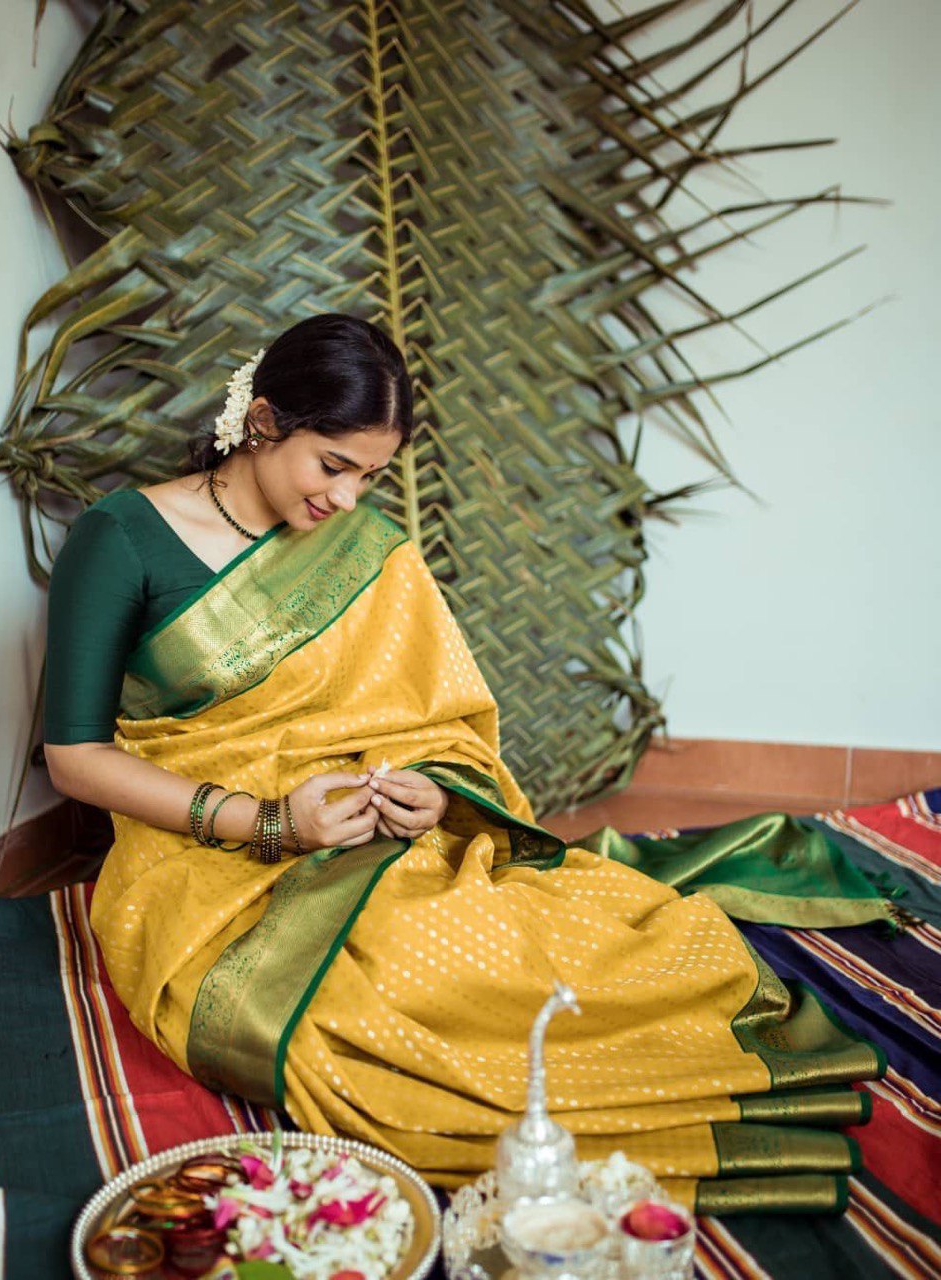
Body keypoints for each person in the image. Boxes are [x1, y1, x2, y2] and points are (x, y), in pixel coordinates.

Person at [45, 313, 891, 1211]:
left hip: (366, 833)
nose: (348, 499)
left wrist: (428, 792)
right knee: (370, 1016)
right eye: (333, 466)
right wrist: (269, 822)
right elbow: (74, 756)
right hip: (204, 853)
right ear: (262, 423)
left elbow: (433, 720)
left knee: (544, 956)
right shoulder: (124, 538)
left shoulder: (364, 552)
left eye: (372, 476)